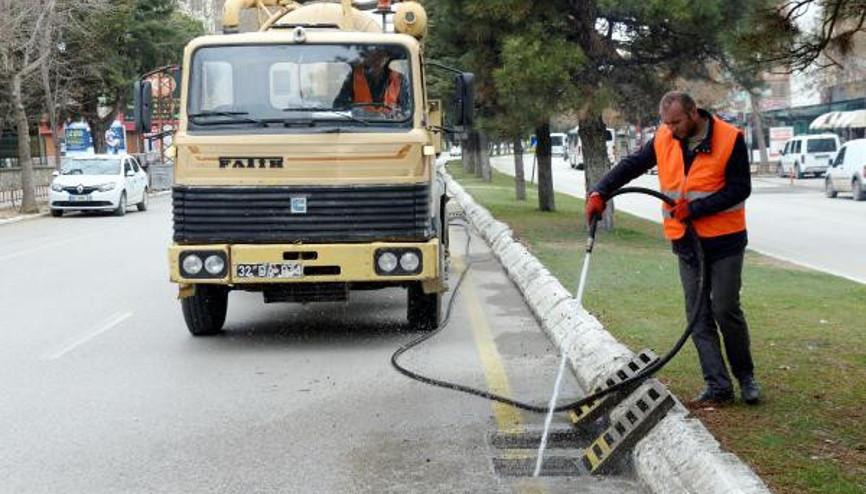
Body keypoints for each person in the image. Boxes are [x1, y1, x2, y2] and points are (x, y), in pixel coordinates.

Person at [585, 91, 761, 405]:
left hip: (724, 241)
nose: (671, 128)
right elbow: (631, 165)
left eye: (676, 122)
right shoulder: (665, 138)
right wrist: (601, 191)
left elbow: (740, 188)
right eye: (666, 123)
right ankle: (718, 387)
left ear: (694, 113)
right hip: (687, 244)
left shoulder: (729, 138)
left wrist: (697, 209)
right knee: (697, 315)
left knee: (724, 308)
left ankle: (745, 376)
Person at [332, 48, 409, 114]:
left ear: (387, 57)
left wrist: (399, 114)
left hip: (393, 127)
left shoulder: (399, 78)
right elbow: (339, 107)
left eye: (380, 54)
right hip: (361, 126)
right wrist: (354, 111)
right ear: (366, 58)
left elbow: (407, 109)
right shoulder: (354, 77)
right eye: (373, 55)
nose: (377, 59)